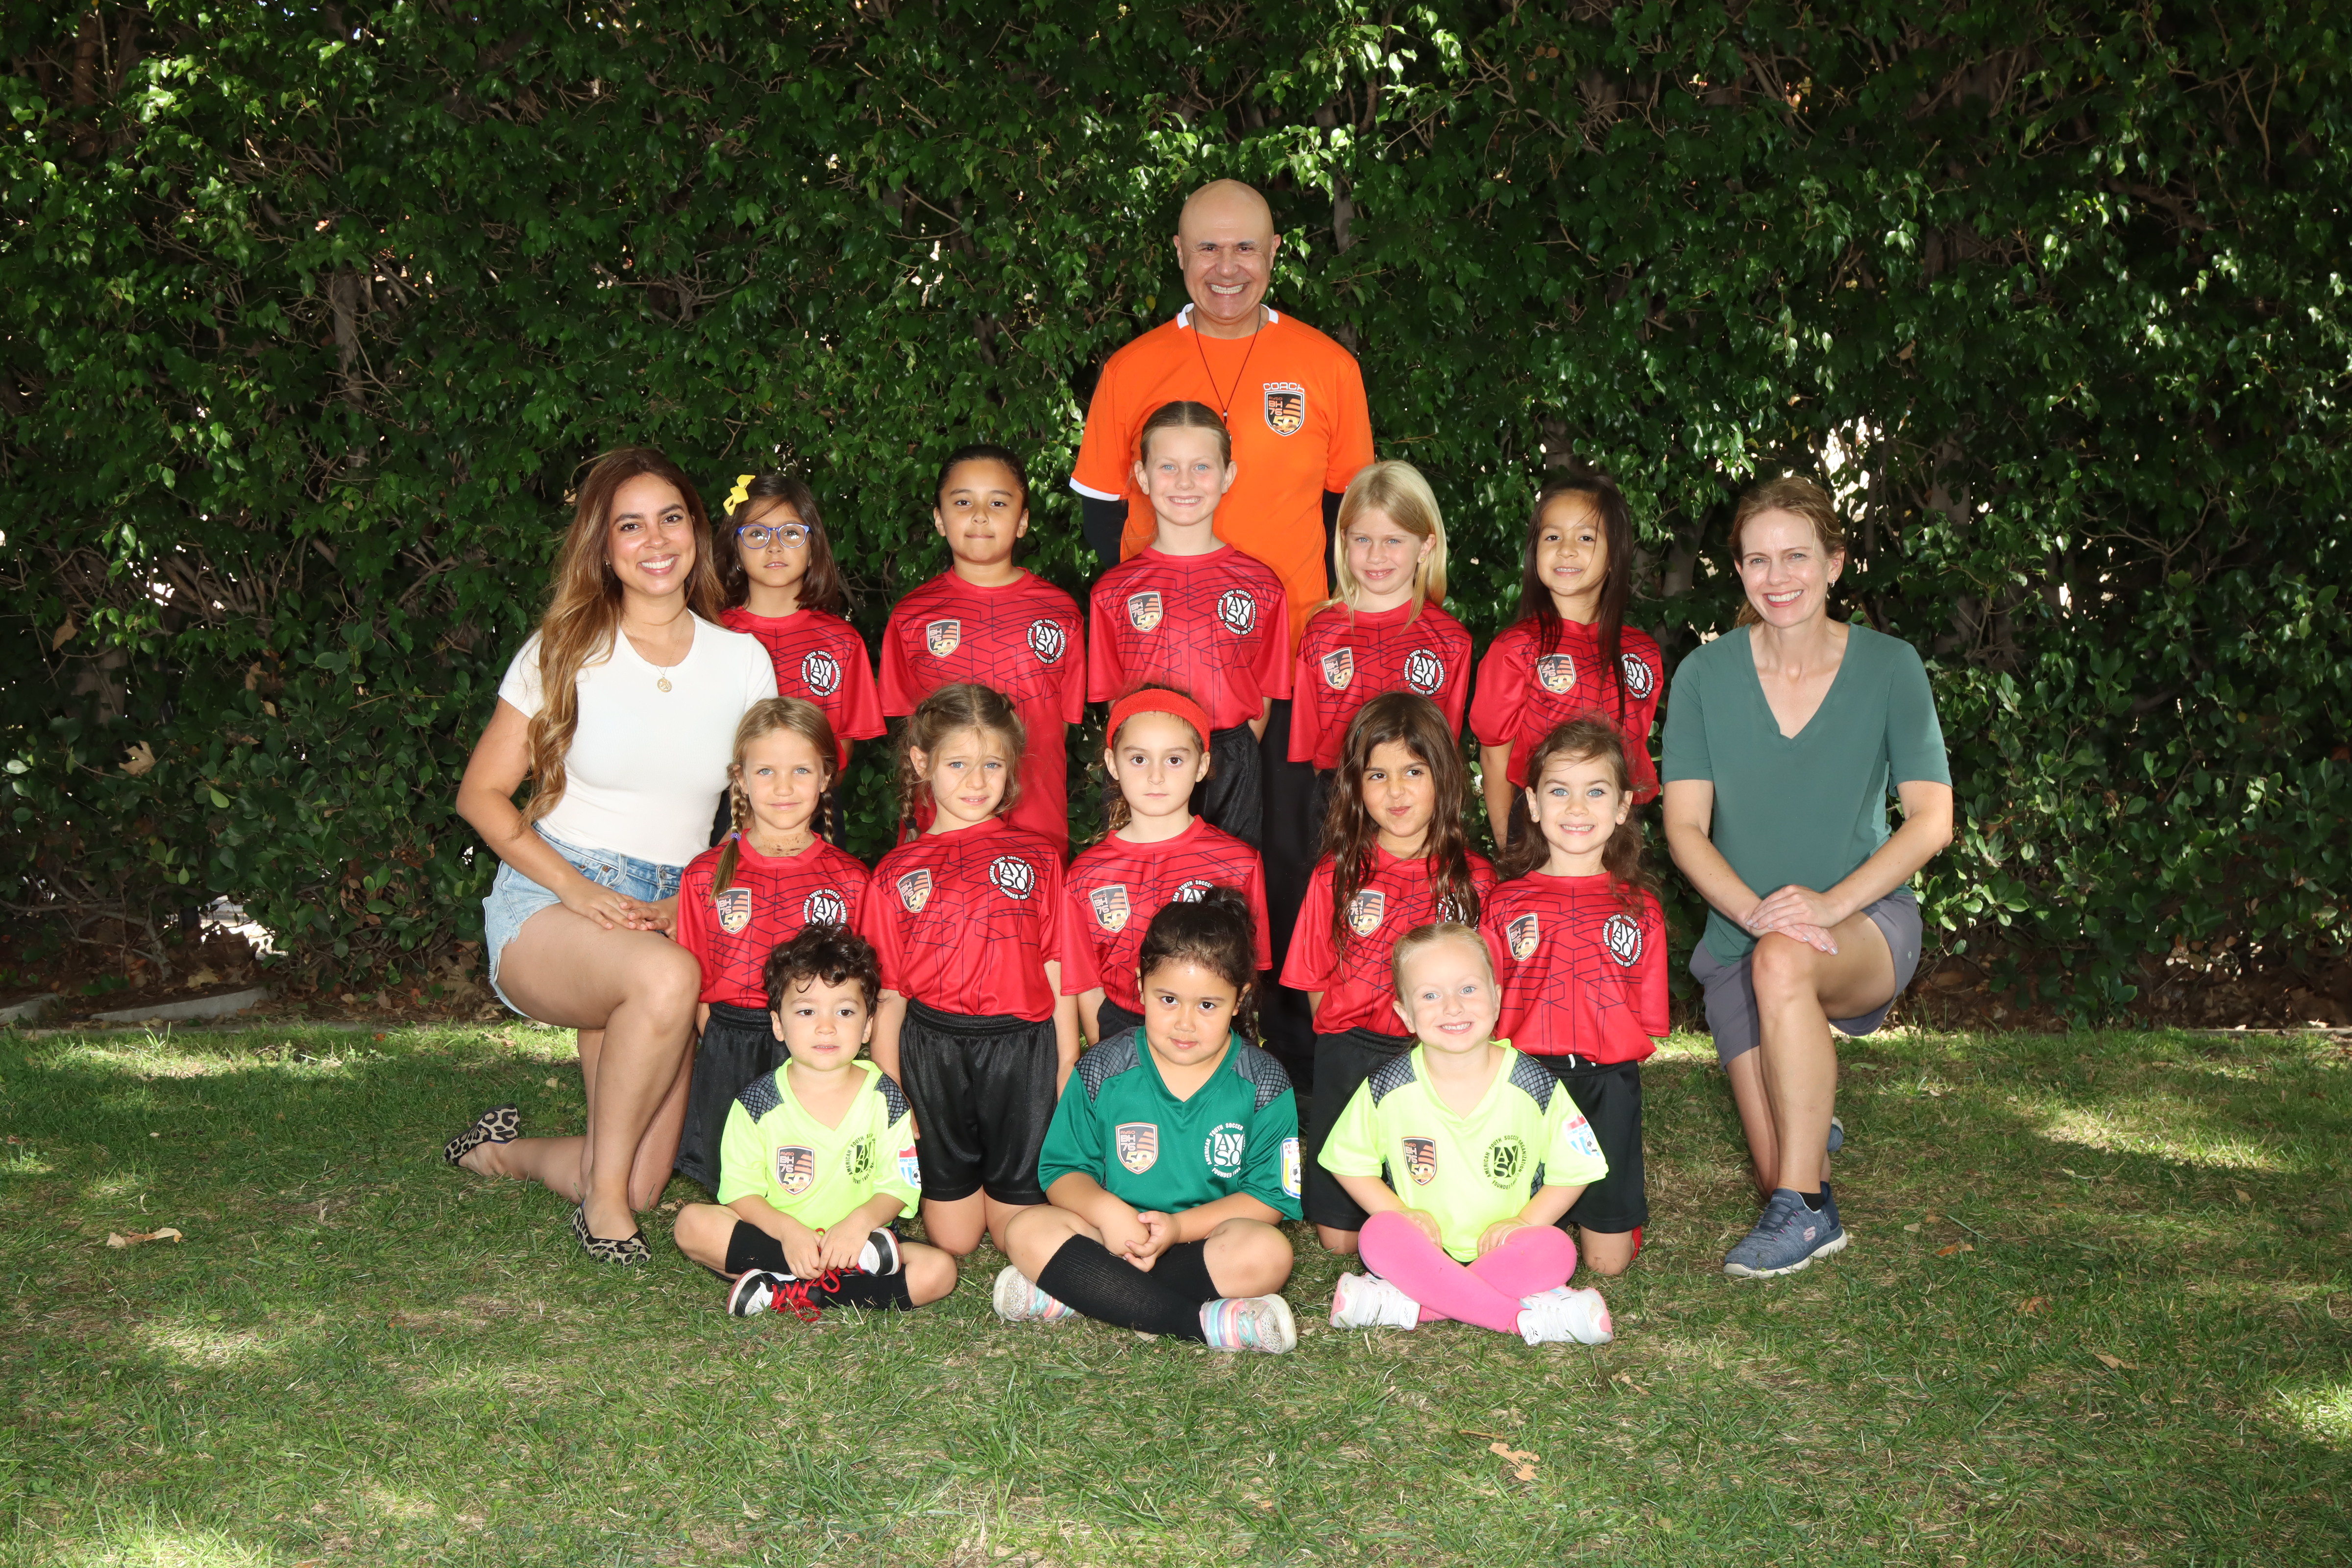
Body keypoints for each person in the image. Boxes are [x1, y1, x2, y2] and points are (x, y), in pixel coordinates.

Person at [1068, 177, 1375, 1089]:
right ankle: (1145, 1051)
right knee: (1152, 860)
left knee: (1281, 864)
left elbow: (1350, 514)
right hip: (1160, 685)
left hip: (1281, 673)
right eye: (1208, 247)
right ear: (1178, 254)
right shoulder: (1133, 368)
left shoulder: (1326, 366)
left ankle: (1284, 1062)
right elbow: (1101, 516)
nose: (1227, 266)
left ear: (1276, 252)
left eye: (1246, 247)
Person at [445, 447, 777, 1263]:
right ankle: (599, 1212)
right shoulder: (564, 650)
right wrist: (577, 890)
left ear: (697, 532)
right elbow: (481, 795)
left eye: (671, 518)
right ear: (603, 544)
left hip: (669, 911)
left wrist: (692, 900)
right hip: (553, 900)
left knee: (641, 1182)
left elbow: (758, 817)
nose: (655, 540)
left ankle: (503, 1155)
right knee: (665, 980)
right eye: (630, 526)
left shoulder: (742, 661)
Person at [1661, 475, 1954, 1278]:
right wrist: (1758, 913)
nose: (1778, 577)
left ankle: (1810, 1216)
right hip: (1741, 938)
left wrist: (1826, 906)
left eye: (1796, 556)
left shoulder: (1890, 667)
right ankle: (1806, 1130)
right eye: (1757, 560)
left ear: (1835, 562)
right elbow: (1684, 829)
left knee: (1786, 960)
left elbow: (1932, 819)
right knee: (1779, 1165)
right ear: (1739, 571)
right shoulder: (1704, 677)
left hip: (1864, 925)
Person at [994, 888, 1300, 1354]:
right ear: (1141, 986)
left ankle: (1081, 1292)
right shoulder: (1103, 1067)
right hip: (1111, 1239)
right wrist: (1107, 1212)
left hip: (1202, 1244)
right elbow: (1062, 1172)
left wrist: (1176, 1229)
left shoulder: (1264, 1080)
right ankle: (1200, 1324)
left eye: (1208, 1005)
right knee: (1025, 1229)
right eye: (1169, 999)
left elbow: (1267, 1201)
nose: (1185, 1023)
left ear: (1239, 1000)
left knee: (1269, 1253)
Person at [858, 683, 1094, 1258]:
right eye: (958, 763)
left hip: (1022, 1049)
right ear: (922, 762)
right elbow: (889, 993)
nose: (977, 780)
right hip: (932, 1050)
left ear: (1012, 767)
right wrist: (890, 1085)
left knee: (1017, 1233)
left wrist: (1066, 1061)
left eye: (993, 764)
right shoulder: (893, 872)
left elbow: (1056, 964)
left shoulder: (1038, 857)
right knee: (955, 1239)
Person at [1317, 923, 1615, 1346]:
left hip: (1505, 1248)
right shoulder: (1387, 1087)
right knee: (1379, 1233)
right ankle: (1525, 1321)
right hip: (1423, 1249)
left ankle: (1405, 1304)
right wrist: (1399, 1212)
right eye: (1430, 996)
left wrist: (1524, 1222)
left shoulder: (1535, 1084)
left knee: (1557, 1249)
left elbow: (1576, 1169)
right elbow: (1348, 1163)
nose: (1453, 1007)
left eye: (1468, 989)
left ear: (1497, 998)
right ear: (1405, 1014)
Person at [1282, 692, 1495, 1255]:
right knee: (1339, 1241)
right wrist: (1340, 1046)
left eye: (1413, 771)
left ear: (1444, 776)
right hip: (1351, 1050)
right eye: (1378, 774)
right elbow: (1314, 979)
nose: (1396, 791)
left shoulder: (1474, 879)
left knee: (1437, 1219)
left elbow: (1491, 986)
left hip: (1437, 1054)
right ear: (1355, 785)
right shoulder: (1336, 874)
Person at [671, 926, 958, 1317]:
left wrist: (859, 1224)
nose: (827, 1027)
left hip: (861, 1239)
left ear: (868, 1026)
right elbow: (741, 1192)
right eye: (807, 1011)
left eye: (845, 1012)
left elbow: (898, 1186)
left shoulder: (885, 1098)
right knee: (691, 1224)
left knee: (939, 1272)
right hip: (778, 1237)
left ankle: (791, 1289)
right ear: (778, 1024)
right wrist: (788, 1233)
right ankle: (806, 1273)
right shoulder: (756, 1103)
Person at [1479, 717, 1668, 1278]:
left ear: (1623, 806)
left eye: (1596, 791)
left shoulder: (1639, 907)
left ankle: (1605, 1214)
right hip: (1526, 1082)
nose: (1577, 807)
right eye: (1560, 790)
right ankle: (1541, 1210)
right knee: (1507, 1243)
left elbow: (1647, 1019)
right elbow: (1485, 1003)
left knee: (1607, 1265)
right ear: (1533, 804)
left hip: (1607, 1084)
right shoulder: (1505, 903)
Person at [670, 697, 873, 1192]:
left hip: (819, 1045)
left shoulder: (851, 879)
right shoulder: (704, 875)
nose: (784, 787)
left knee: (819, 1181)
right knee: (740, 1186)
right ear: (740, 778)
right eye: (766, 771)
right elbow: (697, 984)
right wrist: (724, 1052)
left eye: (801, 770)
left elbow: (867, 988)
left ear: (826, 777)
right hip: (732, 1046)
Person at [1084, 401, 1291, 846]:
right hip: (1145, 763)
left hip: (1231, 761)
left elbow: (1265, 693)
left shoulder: (1262, 586)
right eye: (1168, 466)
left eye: (1201, 466)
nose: (1184, 482)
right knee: (1141, 879)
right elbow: (1113, 697)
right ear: (1142, 476)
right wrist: (1142, 752)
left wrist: (1231, 753)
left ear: (1228, 476)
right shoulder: (1113, 591)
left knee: (1229, 882)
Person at [879, 445, 1086, 854]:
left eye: (997, 502)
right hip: (941, 825)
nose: (980, 515)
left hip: (1035, 824)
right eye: (962, 502)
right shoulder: (912, 615)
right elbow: (910, 729)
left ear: (1022, 521)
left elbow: (1059, 725)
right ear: (939, 519)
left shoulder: (1059, 612)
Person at [1470, 472, 1666, 850]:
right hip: (1536, 833)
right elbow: (1494, 759)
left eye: (1586, 537)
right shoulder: (1516, 648)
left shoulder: (1643, 654)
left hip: (1614, 836)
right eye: (1553, 537)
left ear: (1615, 555)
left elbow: (1633, 758)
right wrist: (1508, 850)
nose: (1566, 550)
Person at [1066, 688, 1272, 1046]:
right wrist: (1108, 1059)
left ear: (1202, 766)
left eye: (1174, 759)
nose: (1156, 776)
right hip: (1122, 1032)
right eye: (1139, 759)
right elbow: (1088, 985)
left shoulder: (1239, 863)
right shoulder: (1086, 874)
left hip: (1209, 1029)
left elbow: (1248, 973)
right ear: (1112, 764)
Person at [714, 471, 885, 843]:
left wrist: (798, 798)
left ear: (813, 546)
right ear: (736, 549)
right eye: (757, 534)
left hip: (815, 809)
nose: (775, 546)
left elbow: (841, 750)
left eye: (791, 533)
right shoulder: (712, 636)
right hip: (728, 807)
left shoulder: (842, 641)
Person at [1286, 460, 1473, 773]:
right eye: (1363, 539)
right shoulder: (1321, 633)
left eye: (1393, 540)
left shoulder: (1451, 640)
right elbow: (1311, 755)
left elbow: (1444, 751)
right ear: (1344, 540)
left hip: (1418, 789)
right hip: (1338, 789)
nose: (1376, 556)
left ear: (1425, 546)